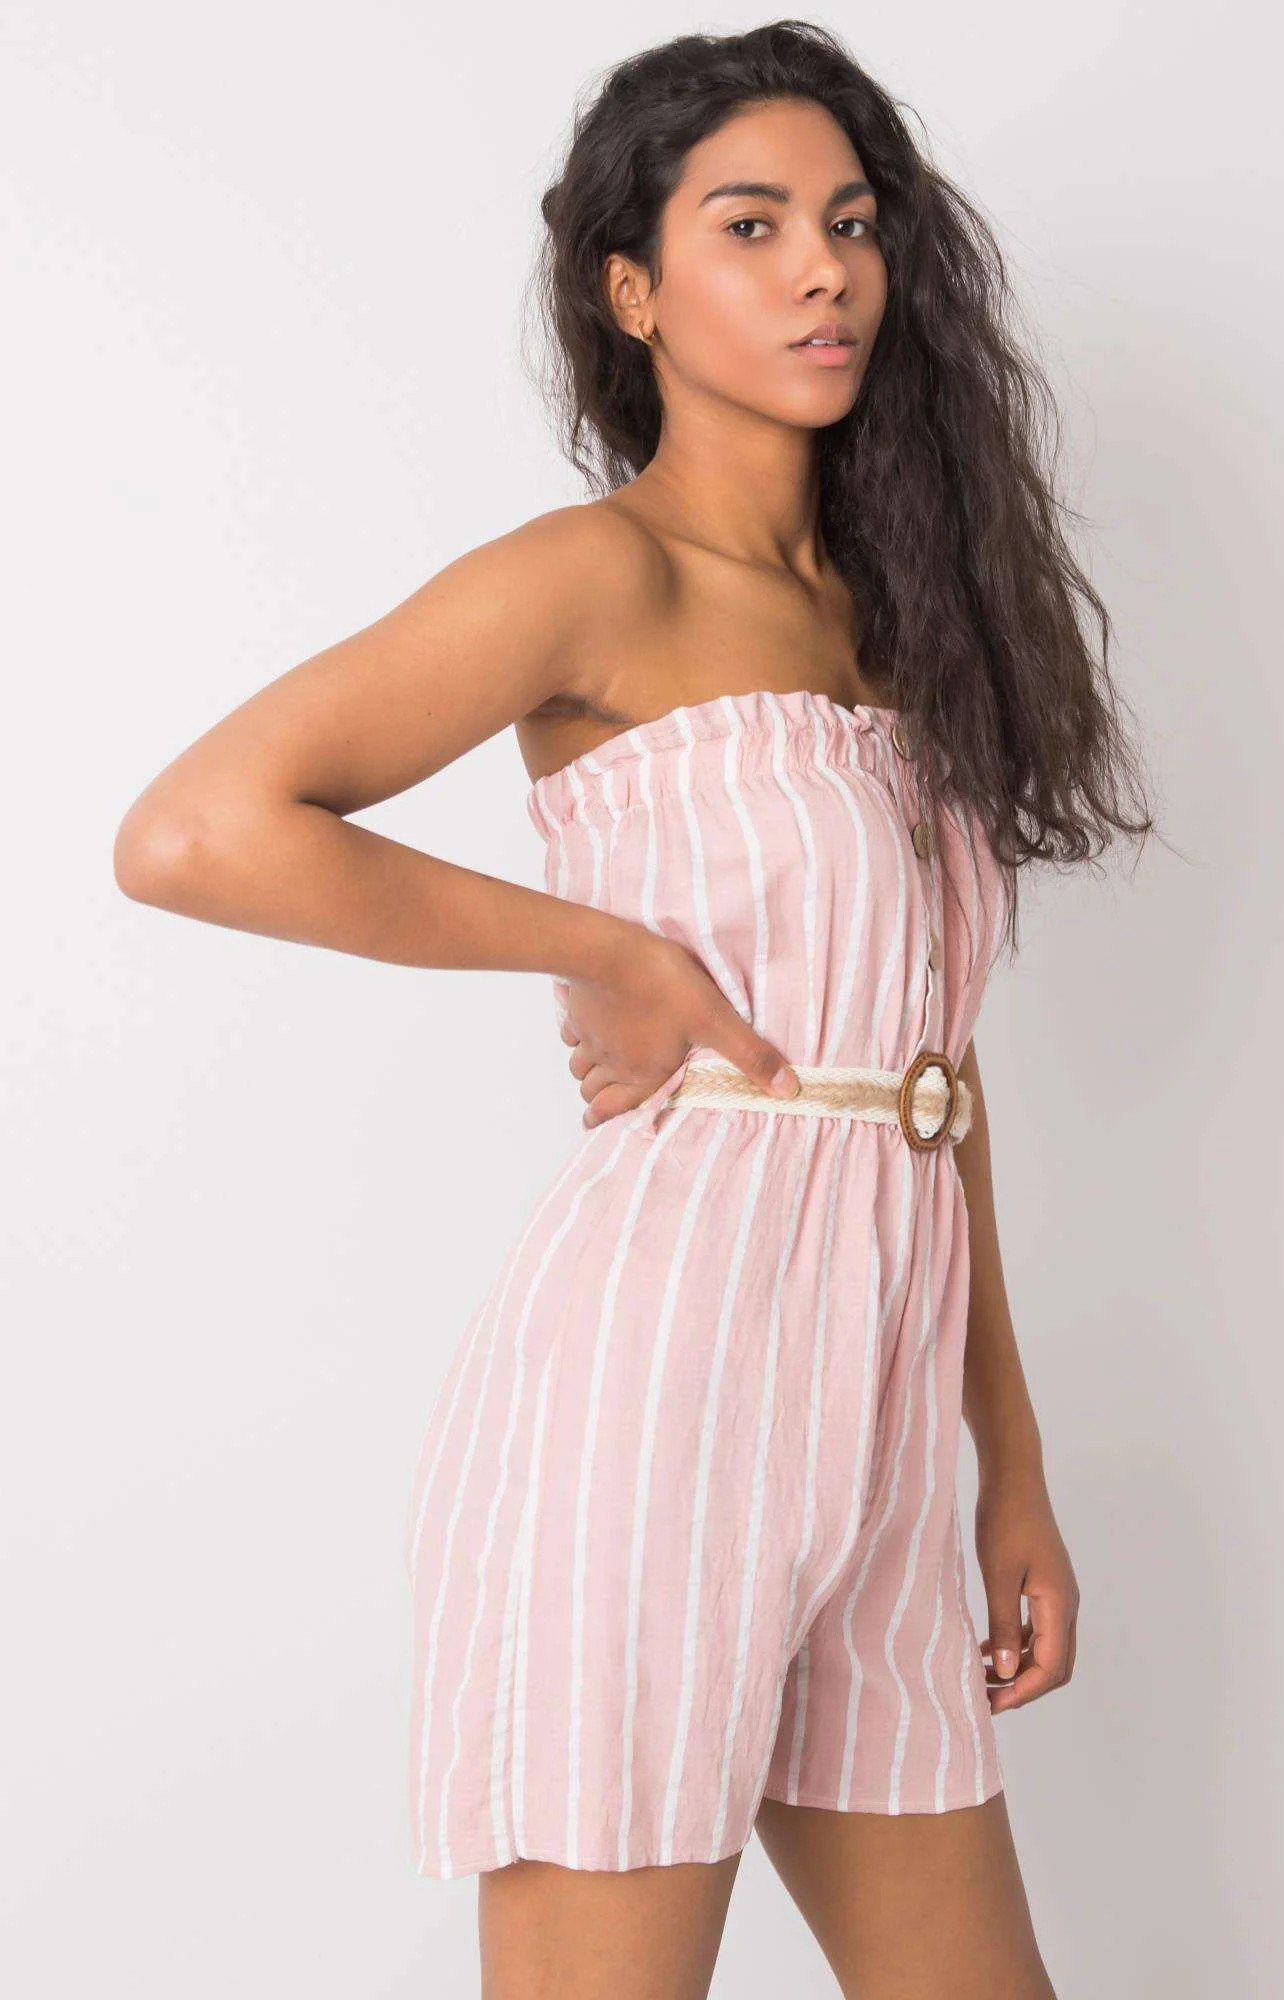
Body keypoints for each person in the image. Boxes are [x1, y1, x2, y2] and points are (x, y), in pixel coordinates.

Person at [114, 20, 1154, 1998]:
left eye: (849, 223)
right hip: (654, 1401)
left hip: (880, 1430)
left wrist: (1006, 1463)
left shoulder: (905, 617)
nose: (822, 270)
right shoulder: (594, 576)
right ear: (631, 290)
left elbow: (924, 1073)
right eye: (748, 226)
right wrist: (611, 955)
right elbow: (195, 832)